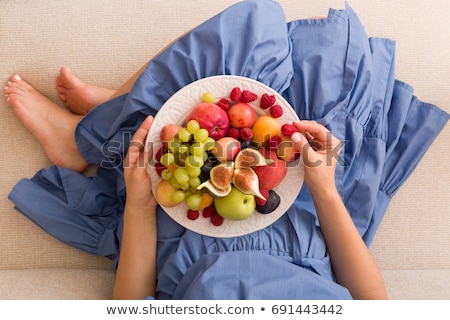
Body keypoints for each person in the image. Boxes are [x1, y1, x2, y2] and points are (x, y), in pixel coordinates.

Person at [4, 0, 449, 299]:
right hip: (302, 225)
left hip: (186, 232)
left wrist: (139, 207)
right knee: (255, 20)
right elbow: (373, 304)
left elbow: (132, 306)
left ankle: (91, 135)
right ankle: (111, 111)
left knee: (193, 96)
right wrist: (326, 188)